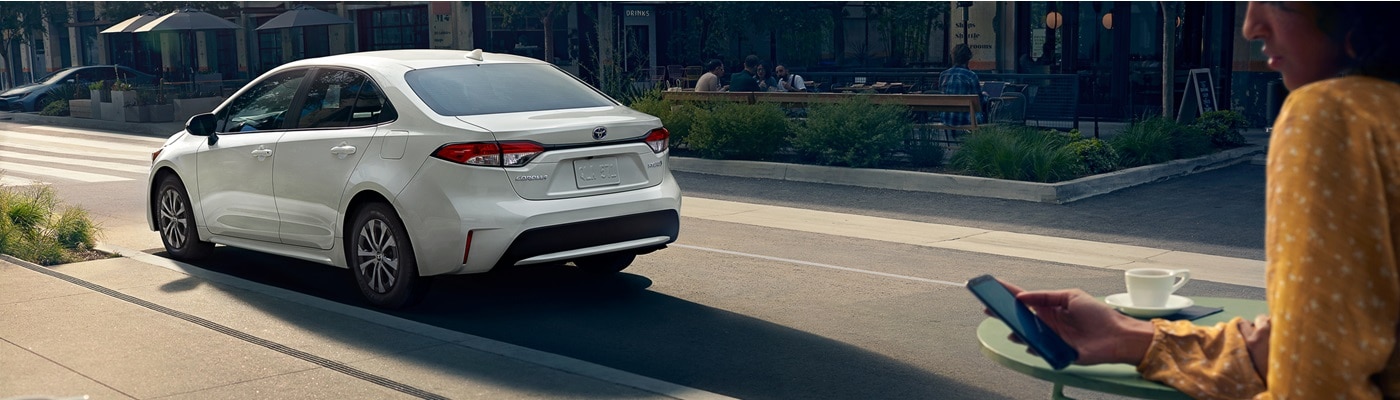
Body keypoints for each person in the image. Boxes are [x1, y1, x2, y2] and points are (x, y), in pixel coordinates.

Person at [994, 2, 1400, 399]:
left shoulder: (1337, 115)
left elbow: (1317, 385)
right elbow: (1303, 351)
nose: (1251, 25)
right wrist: (1127, 335)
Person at [938, 44, 984, 125]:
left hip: (946, 118)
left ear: (953, 57)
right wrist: (986, 96)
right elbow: (979, 101)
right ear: (968, 58)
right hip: (966, 119)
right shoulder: (971, 76)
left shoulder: (943, 75)